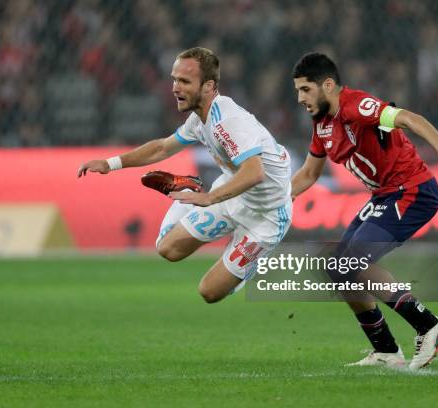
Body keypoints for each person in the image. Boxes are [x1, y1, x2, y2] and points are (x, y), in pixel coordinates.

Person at [291, 52, 438, 370]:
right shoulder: (322, 124)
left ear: (328, 85)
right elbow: (308, 174)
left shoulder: (357, 106)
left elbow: (409, 118)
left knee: (352, 262)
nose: (300, 98)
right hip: (384, 196)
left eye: (305, 89)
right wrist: (277, 200)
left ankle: (428, 325)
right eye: (298, 91)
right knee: (339, 270)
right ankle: (385, 349)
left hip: (413, 191)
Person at [78, 47, 292, 302]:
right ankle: (188, 190)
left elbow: (255, 172)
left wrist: (210, 199)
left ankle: (247, 264)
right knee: (167, 249)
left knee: (210, 292)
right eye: (174, 79)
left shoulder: (228, 121)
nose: (175, 88)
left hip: (266, 216)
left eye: (184, 81)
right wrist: (110, 163)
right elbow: (162, 148)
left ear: (208, 86)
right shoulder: (199, 119)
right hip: (232, 195)